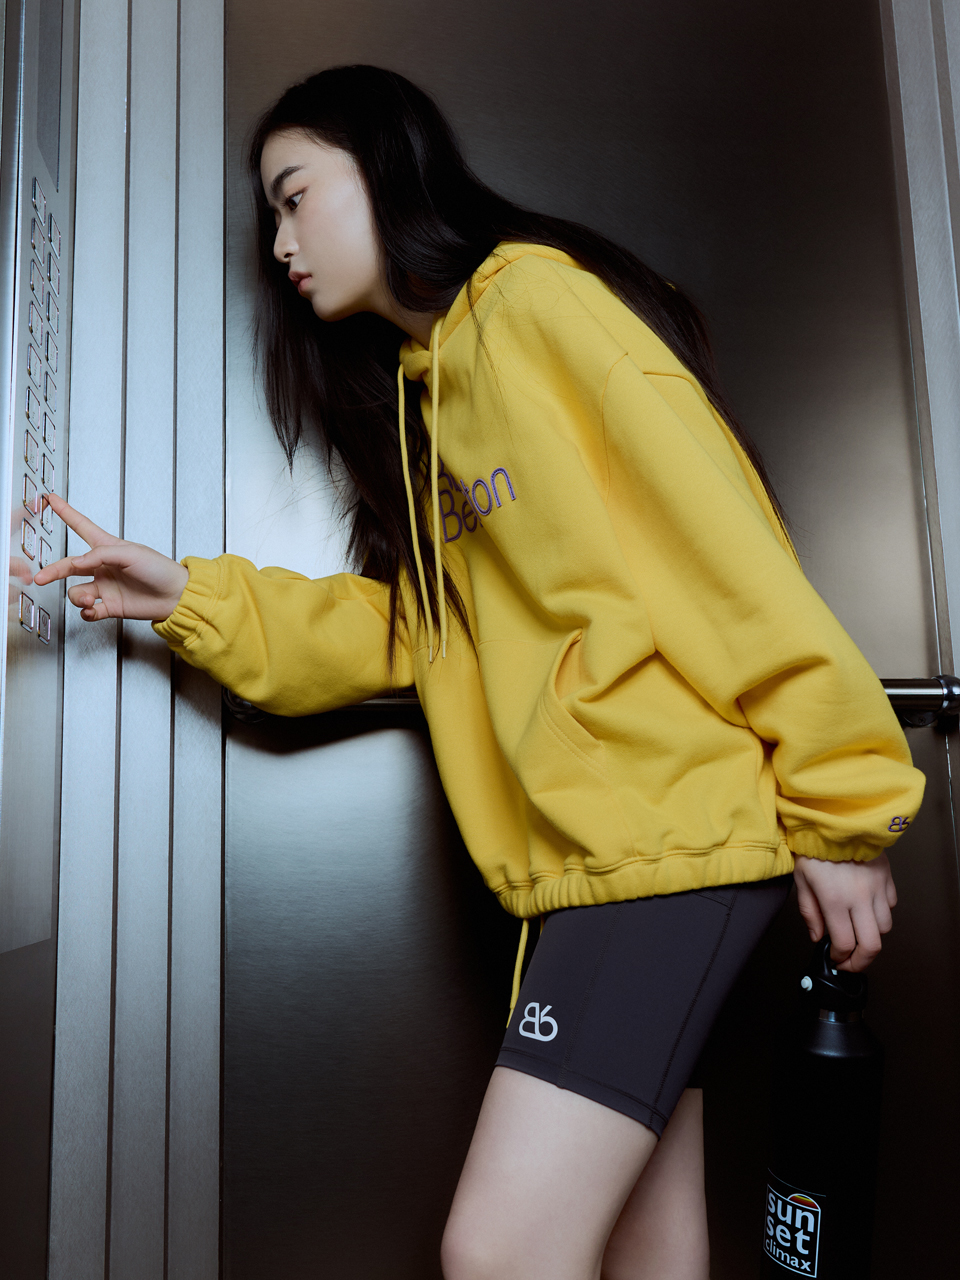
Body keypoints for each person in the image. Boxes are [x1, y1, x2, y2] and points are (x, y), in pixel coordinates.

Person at [37, 65, 923, 1280]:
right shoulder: (425, 403)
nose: (280, 244)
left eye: (294, 197)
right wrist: (188, 596)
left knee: (499, 1250)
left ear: (384, 166)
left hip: (660, 845)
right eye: (270, 218)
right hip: (601, 864)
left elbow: (718, 539)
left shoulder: (530, 305)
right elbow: (413, 630)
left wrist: (843, 800)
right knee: (651, 1251)